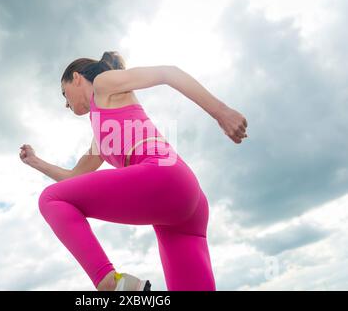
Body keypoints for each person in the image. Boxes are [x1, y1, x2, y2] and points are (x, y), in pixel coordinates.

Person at [19, 51, 248, 291]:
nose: (66, 104)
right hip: (185, 205)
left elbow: (167, 73)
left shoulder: (103, 84)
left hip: (164, 176)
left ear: (76, 77)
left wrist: (222, 112)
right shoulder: (99, 140)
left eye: (64, 94)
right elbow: (74, 178)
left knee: (50, 197)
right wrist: (36, 162)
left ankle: (112, 284)